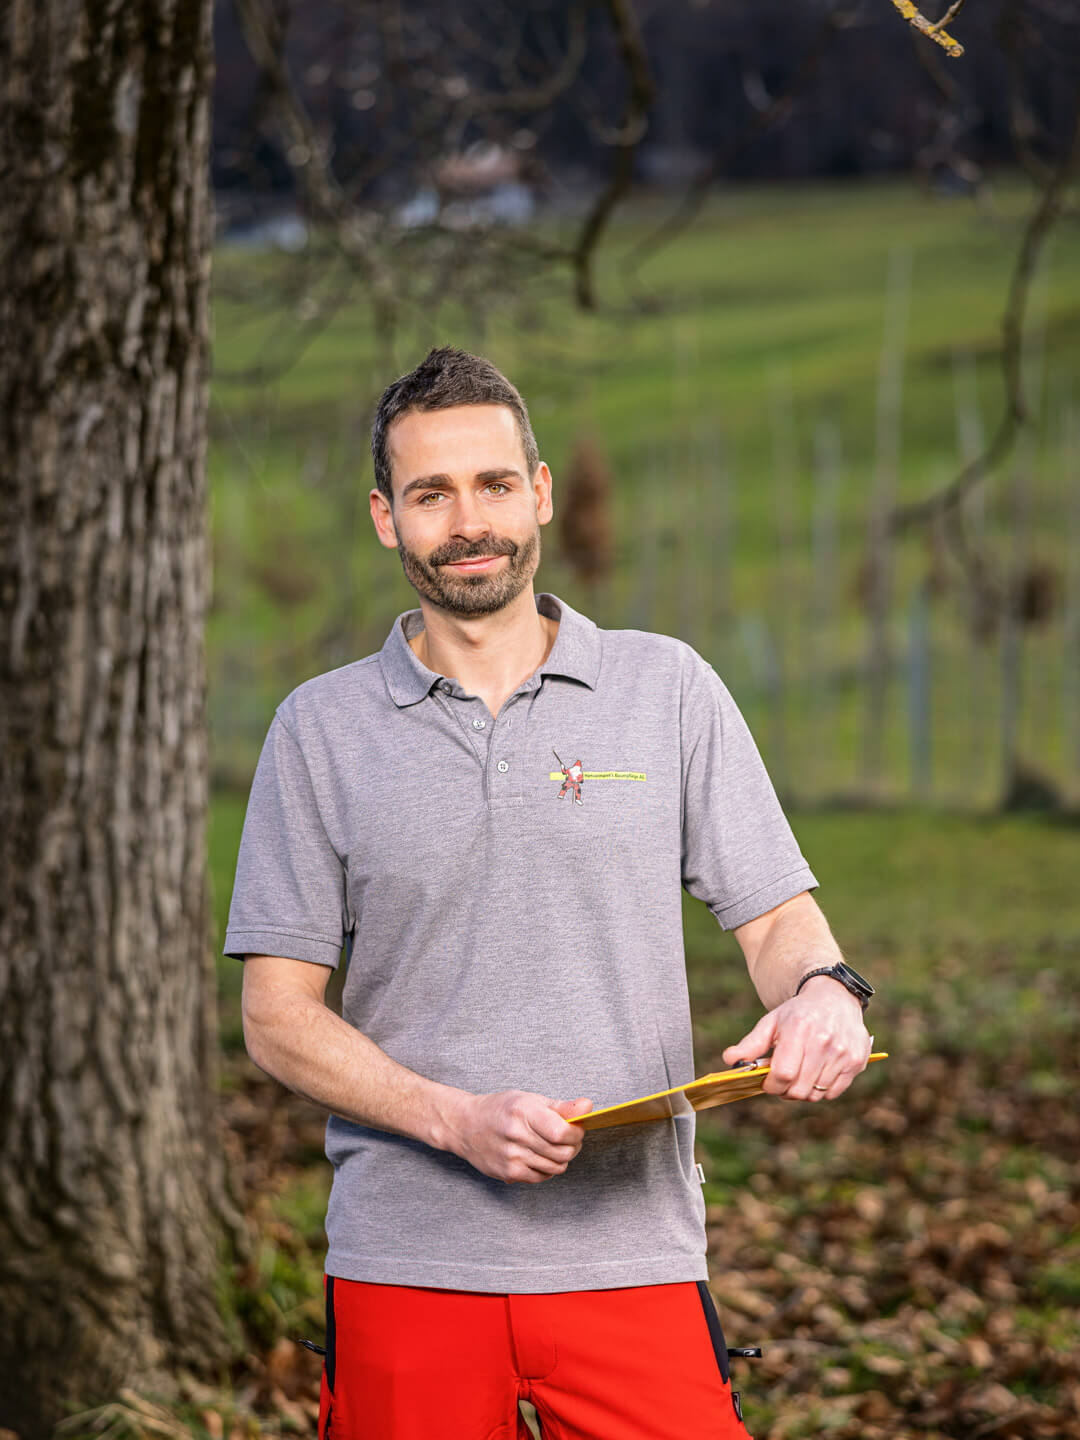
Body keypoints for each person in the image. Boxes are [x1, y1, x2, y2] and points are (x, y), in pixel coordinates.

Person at [224, 346, 875, 1440]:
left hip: (635, 1256)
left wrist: (823, 990)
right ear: (387, 518)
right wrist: (454, 1118)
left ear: (541, 495)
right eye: (431, 493)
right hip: (406, 1262)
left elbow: (773, 918)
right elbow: (276, 1020)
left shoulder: (668, 690)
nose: (466, 520)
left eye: (491, 484)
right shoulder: (318, 731)